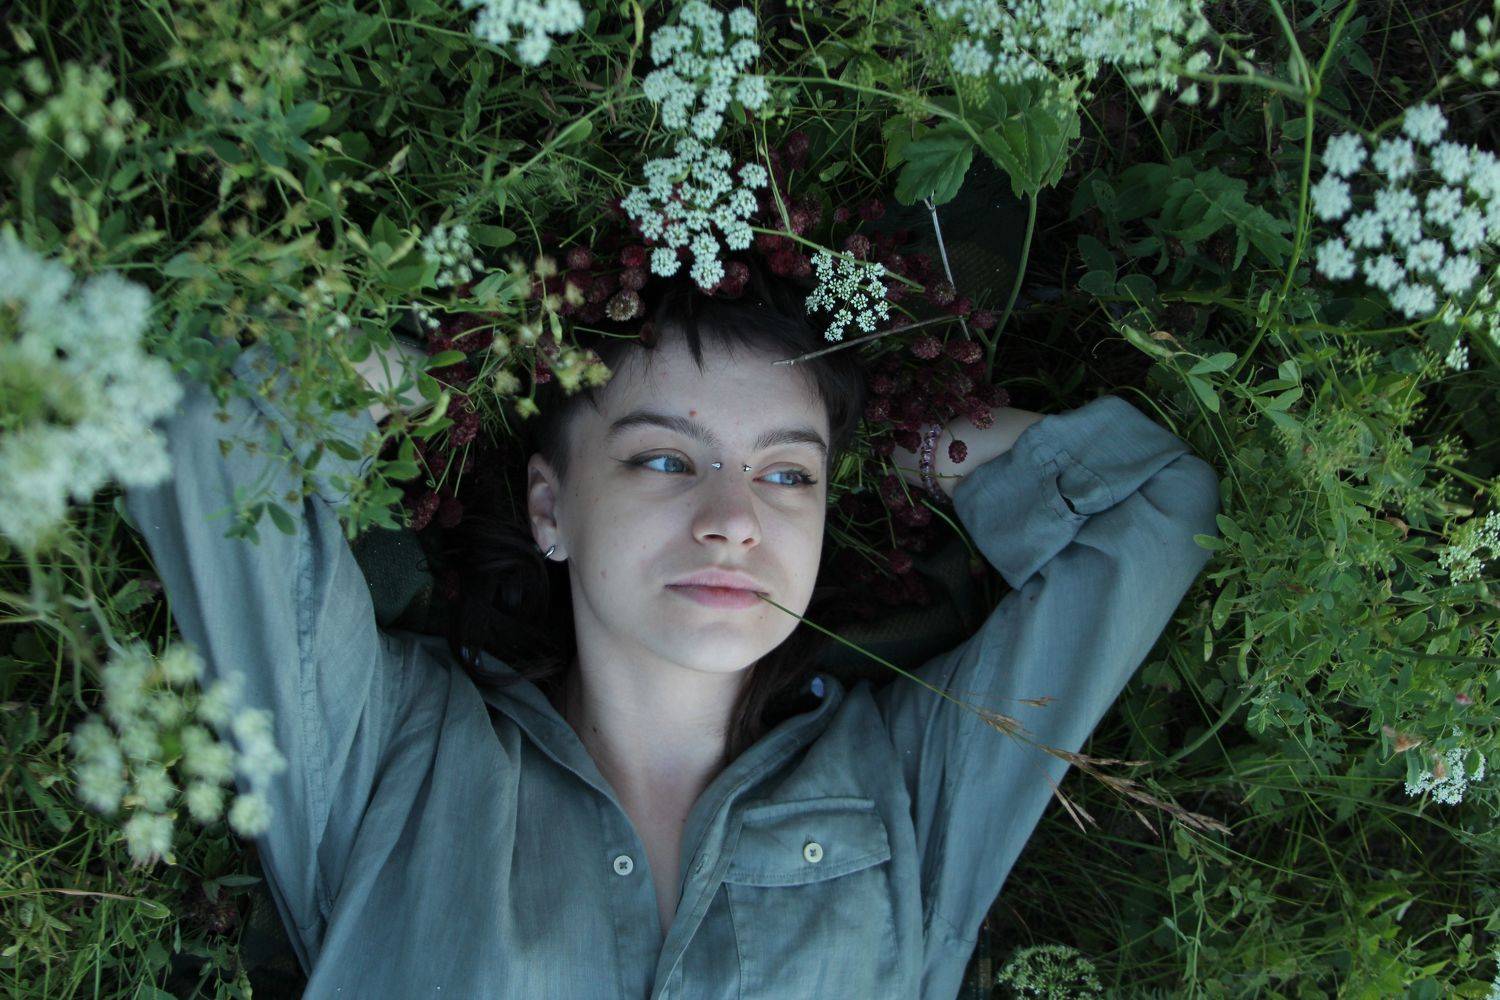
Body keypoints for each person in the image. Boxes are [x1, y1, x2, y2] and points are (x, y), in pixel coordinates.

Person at [122, 255, 1221, 998]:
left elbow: (1154, 512)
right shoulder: (392, 757)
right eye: (662, 458)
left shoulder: (908, 791)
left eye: (787, 475)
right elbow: (213, 420)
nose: (735, 519)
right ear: (551, 506)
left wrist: (905, 435)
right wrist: (449, 378)